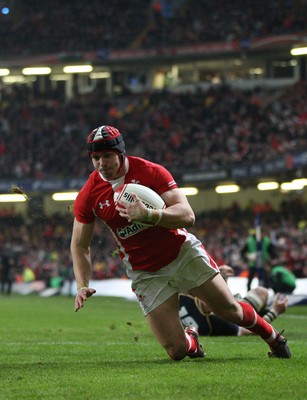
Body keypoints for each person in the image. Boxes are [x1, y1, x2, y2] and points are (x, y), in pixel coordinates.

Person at [71, 125, 291, 360]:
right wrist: (82, 284)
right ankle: (192, 342)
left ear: (120, 153)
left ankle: (274, 338)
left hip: (182, 254)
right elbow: (79, 245)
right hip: (145, 272)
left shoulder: (150, 172)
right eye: (95, 158)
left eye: (106, 156)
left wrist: (150, 215)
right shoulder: (89, 194)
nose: (101, 163)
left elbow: (188, 215)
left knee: (231, 311)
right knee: (176, 351)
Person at [179, 265, 289, 336]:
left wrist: (219, 274)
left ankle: (260, 312)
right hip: (237, 312)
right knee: (261, 292)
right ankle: (262, 312)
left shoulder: (183, 297)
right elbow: (249, 331)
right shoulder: (218, 322)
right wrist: (275, 312)